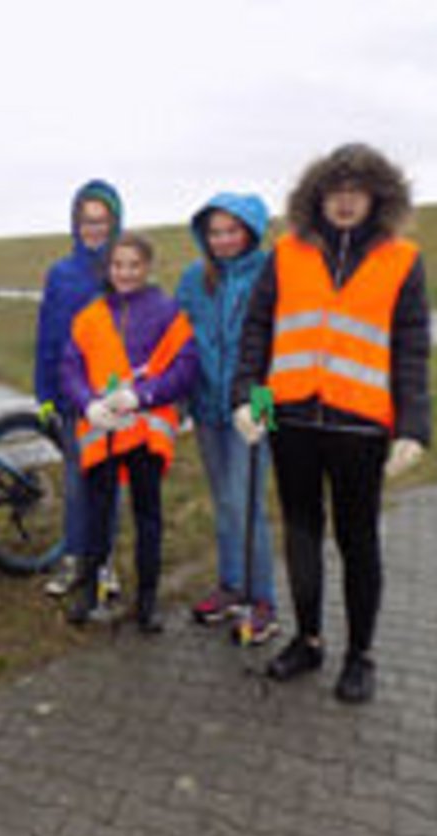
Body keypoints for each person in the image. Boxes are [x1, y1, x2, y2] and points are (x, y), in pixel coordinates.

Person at [233, 143, 430, 704]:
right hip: (292, 420)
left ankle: (360, 655)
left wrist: (412, 427)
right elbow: (260, 331)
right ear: (316, 198)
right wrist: (251, 400)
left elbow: (411, 349)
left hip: (360, 428)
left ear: (377, 197)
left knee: (357, 541)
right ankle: (309, 640)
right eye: (335, 192)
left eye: (356, 192)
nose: (345, 202)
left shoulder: (402, 259)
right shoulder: (286, 253)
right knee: (301, 536)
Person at [60, 232, 197, 632]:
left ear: (147, 267)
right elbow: (70, 367)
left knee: (147, 515)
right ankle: (89, 591)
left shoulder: (167, 312)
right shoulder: (90, 316)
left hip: (145, 429)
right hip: (102, 427)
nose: (126, 273)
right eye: (118, 265)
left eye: (134, 265)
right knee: (97, 512)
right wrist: (88, 403)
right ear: (109, 268)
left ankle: (147, 601)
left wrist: (144, 396)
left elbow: (185, 367)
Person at [176, 193, 280, 644]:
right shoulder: (194, 278)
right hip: (207, 406)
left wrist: (261, 404)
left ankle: (263, 602)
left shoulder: (271, 273)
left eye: (231, 231)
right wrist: (177, 401)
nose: (222, 240)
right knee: (224, 502)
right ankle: (232, 585)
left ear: (251, 231)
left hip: (254, 405)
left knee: (247, 503)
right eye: (214, 232)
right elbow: (180, 342)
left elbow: (281, 341)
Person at [35, 179, 124, 598]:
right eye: (87, 221)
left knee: (108, 486)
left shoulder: (124, 270)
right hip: (73, 398)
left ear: (114, 223)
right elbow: (48, 337)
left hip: (113, 399)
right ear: (76, 224)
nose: (94, 229)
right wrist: (44, 393)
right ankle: (73, 559)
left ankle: (104, 564)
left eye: (101, 221)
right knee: (76, 484)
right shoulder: (60, 274)